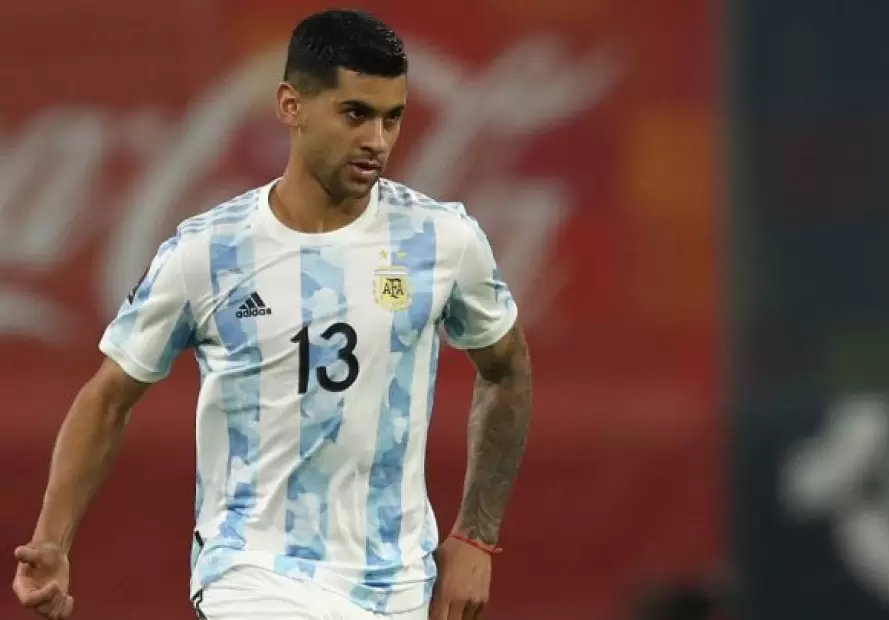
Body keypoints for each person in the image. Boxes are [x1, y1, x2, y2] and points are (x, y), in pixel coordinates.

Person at [12, 9, 532, 620]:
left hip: (396, 586)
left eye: (392, 117)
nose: (377, 140)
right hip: (250, 574)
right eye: (355, 114)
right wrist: (52, 539)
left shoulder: (441, 240)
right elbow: (107, 398)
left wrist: (475, 536)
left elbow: (506, 369)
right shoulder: (210, 251)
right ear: (291, 105)